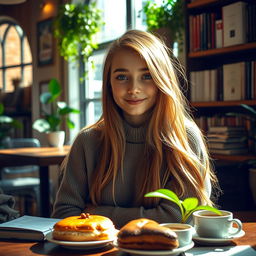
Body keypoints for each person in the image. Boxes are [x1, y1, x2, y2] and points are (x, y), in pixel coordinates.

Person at [52, 29, 219, 228]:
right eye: (122, 77)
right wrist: (152, 216)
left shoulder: (185, 138)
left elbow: (180, 218)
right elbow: (64, 215)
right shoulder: (87, 141)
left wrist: (94, 213)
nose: (133, 89)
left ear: (162, 80)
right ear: (108, 84)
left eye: (146, 76)